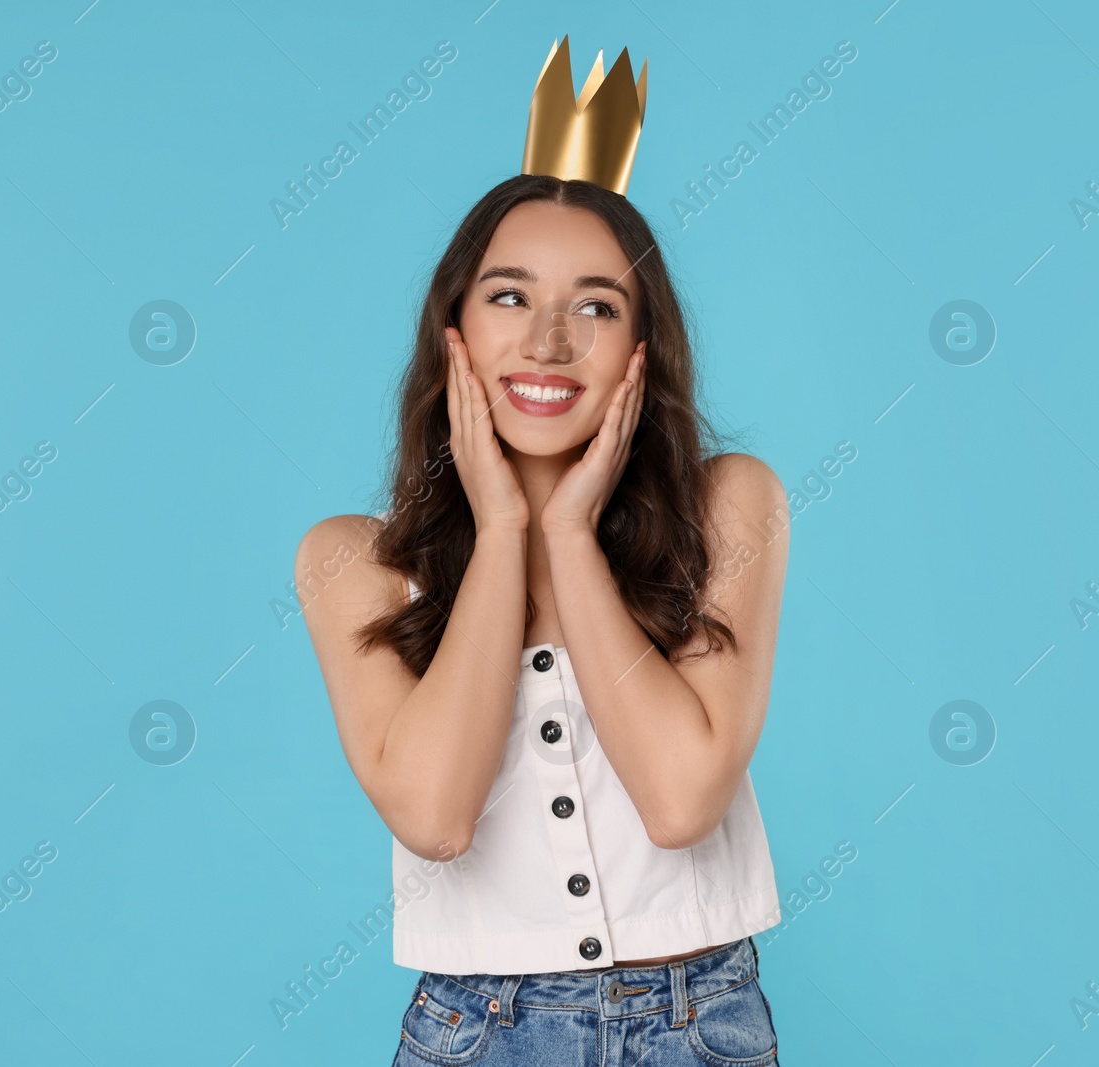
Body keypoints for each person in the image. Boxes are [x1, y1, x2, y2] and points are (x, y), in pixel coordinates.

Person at [294, 37, 789, 1065]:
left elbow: (681, 799)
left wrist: (567, 533)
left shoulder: (730, 506)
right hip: (476, 1032)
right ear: (455, 331)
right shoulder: (353, 563)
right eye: (511, 295)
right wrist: (507, 529)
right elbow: (434, 815)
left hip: (699, 1023)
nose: (551, 341)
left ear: (642, 349)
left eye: (596, 307)